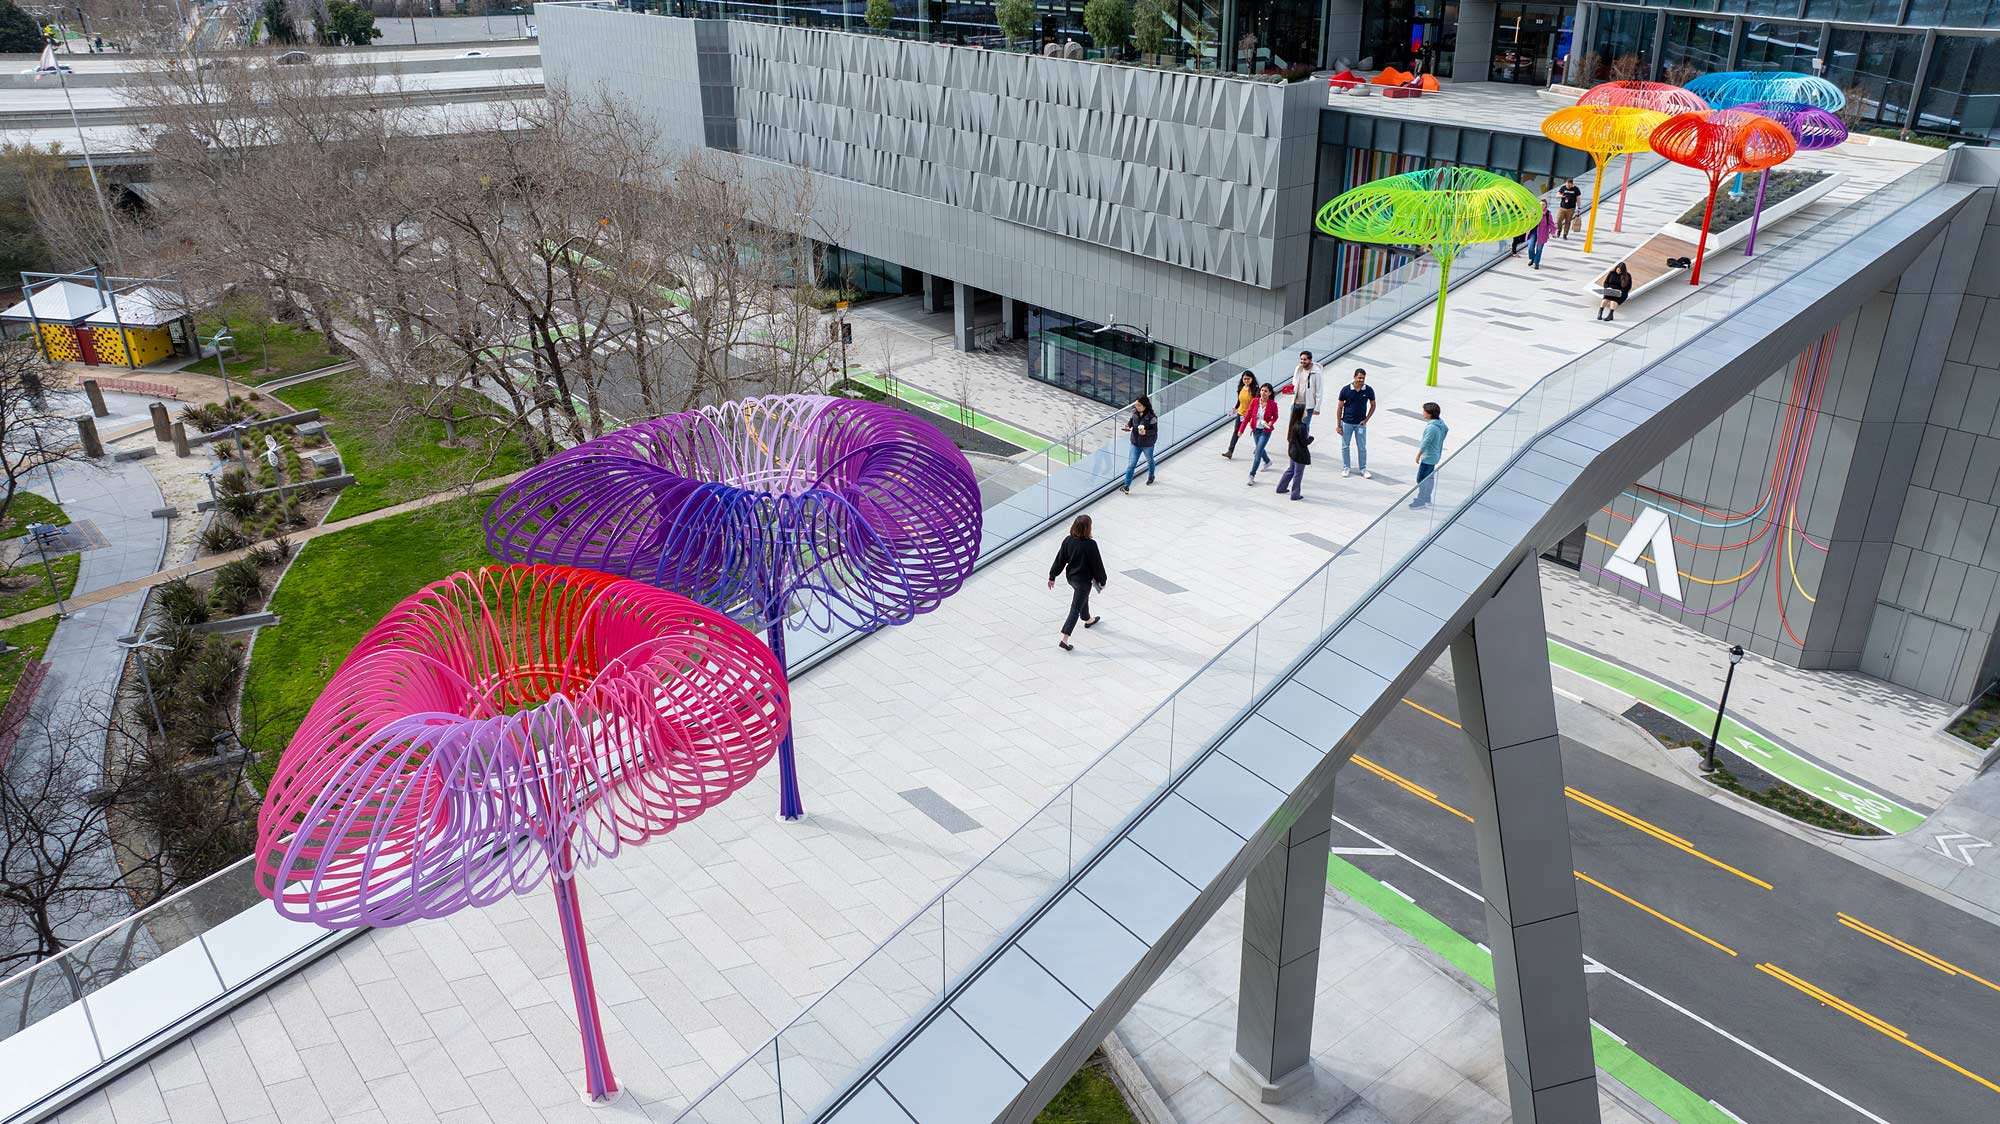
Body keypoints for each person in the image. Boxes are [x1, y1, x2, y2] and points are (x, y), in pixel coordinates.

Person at [1047, 514, 1107, 651]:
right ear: (1088, 528)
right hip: (1083, 581)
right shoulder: (1091, 545)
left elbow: (1060, 560)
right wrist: (1102, 581)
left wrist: (1052, 576)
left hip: (1071, 578)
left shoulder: (1068, 540)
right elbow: (1097, 565)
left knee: (1082, 598)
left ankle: (1087, 619)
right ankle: (1065, 639)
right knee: (1075, 609)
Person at [1336, 368, 1376, 479]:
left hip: (1360, 424)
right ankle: (1346, 467)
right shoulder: (1345, 390)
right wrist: (1339, 425)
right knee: (1345, 446)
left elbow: (1373, 405)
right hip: (1347, 422)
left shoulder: (1368, 390)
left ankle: (1363, 468)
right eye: (1359, 377)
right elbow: (1339, 408)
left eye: (1363, 378)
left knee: (1362, 446)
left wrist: (1366, 419)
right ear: (1354, 377)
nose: (1361, 380)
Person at [1410, 402, 1448, 509]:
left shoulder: (1431, 427)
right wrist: (1438, 443)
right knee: (1429, 478)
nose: (1423, 413)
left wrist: (1418, 455)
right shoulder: (1440, 423)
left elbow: (1426, 442)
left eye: (1424, 411)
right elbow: (1446, 431)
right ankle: (1427, 499)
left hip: (1428, 457)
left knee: (1421, 479)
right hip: (1435, 455)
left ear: (1429, 414)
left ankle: (1421, 500)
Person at [1121, 394, 1159, 493]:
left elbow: (1154, 431)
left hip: (1147, 444)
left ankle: (1151, 476)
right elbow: (1131, 421)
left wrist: (1146, 432)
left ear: (1145, 406)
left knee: (1150, 460)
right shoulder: (1135, 413)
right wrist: (1128, 426)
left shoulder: (1152, 417)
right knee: (1131, 465)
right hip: (1135, 443)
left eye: (1139, 405)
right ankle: (1126, 486)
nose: (1136, 407)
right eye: (1136, 405)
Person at [1274, 405, 1313, 501]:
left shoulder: (1293, 425)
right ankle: (1295, 494)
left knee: (1291, 470)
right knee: (1298, 474)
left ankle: (1281, 487)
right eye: (1305, 411)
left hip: (1293, 452)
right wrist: (1311, 439)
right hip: (1300, 454)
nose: (1306, 412)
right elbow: (1304, 442)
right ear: (1301, 413)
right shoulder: (1302, 426)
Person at [1246, 382, 1278, 484]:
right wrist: (1240, 430)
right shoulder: (1255, 401)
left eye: (1266, 391)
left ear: (1270, 393)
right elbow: (1248, 415)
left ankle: (1252, 475)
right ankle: (1268, 461)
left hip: (1265, 431)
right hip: (1256, 430)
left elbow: (1276, 416)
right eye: (1262, 390)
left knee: (1258, 452)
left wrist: (1270, 422)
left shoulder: (1272, 404)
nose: (1263, 393)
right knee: (1260, 448)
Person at [1223, 370, 1257, 459]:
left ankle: (1259, 447)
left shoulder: (1255, 389)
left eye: (1248, 379)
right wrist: (1235, 408)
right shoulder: (1241, 387)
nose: (1246, 380)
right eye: (1244, 379)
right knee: (1237, 431)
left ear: (1252, 379)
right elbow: (1239, 400)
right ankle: (1230, 451)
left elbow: (1257, 403)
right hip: (1241, 413)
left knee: (1256, 431)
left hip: (1252, 414)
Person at [1291, 350, 1323, 432]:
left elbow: (1319, 391)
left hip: (1308, 405)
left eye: (1305, 359)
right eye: (1301, 359)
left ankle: (1304, 443)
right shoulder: (1298, 369)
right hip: (1296, 403)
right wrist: (1291, 391)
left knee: (1304, 426)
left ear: (1310, 360)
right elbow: (1295, 384)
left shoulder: (1316, 372)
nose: (1302, 361)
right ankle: (1293, 442)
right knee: (1293, 424)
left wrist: (1317, 408)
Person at [1526, 203, 1555, 270]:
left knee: (1539, 249)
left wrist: (1553, 232)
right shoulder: (1534, 212)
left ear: (1546, 206)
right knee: (1530, 246)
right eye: (1540, 204)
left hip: (1542, 233)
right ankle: (1532, 258)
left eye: (1543, 204)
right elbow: (1528, 220)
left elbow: (1551, 223)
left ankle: (1536, 263)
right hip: (1533, 232)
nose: (1541, 206)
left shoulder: (1547, 213)